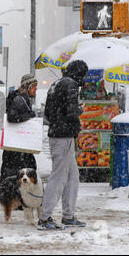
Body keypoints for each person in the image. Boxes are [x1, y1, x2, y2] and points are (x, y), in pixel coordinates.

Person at [38, 59, 89, 230]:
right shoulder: (71, 84)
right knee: (59, 177)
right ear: (80, 73)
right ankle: (44, 218)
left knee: (72, 177)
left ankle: (68, 215)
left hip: (57, 134)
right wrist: (81, 108)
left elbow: (47, 113)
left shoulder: (56, 83)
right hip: (64, 136)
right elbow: (72, 112)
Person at [0, 74, 38, 185]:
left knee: (13, 171)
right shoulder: (19, 99)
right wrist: (29, 115)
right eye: (34, 87)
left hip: (17, 144)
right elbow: (12, 117)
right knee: (19, 171)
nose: (36, 90)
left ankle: (11, 194)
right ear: (28, 86)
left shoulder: (21, 98)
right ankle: (15, 196)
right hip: (18, 145)